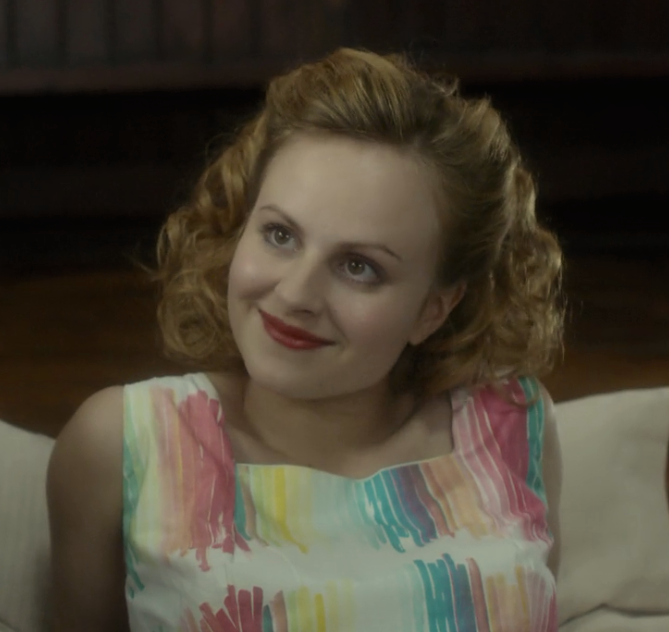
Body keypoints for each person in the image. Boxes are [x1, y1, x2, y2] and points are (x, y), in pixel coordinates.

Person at [47, 48, 564, 631]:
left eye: (359, 266)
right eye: (279, 234)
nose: (295, 293)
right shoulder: (121, 445)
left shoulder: (516, 426)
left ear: (433, 309)